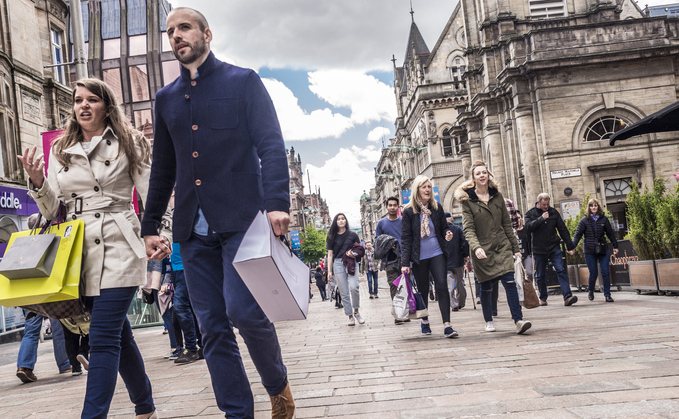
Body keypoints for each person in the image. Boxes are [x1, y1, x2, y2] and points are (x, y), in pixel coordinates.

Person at [140, 7, 295, 418]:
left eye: (184, 28)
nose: (176, 36)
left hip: (242, 222)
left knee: (245, 312)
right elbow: (164, 167)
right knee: (211, 328)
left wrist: (278, 202)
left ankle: (277, 386)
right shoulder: (166, 98)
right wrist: (150, 225)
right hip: (192, 231)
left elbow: (270, 144)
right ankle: (237, 412)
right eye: (170, 31)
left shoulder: (243, 82)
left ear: (207, 34)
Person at [19, 77, 172, 419]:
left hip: (119, 241)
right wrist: (38, 182)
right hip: (78, 252)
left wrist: (160, 233)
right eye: (78, 100)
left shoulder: (130, 142)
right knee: (121, 335)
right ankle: (146, 409)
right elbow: (52, 211)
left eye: (92, 99)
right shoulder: (60, 148)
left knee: (102, 339)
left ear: (106, 105)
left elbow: (153, 193)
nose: (83, 105)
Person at [455, 161, 532, 334]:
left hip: (502, 246)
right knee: (487, 287)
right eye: (478, 173)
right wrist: (475, 248)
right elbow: (468, 229)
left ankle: (518, 320)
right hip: (482, 250)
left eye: (484, 172)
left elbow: (506, 224)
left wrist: (515, 249)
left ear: (488, 176)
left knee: (510, 283)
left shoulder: (497, 197)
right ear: (473, 179)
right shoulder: (468, 201)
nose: (482, 175)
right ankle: (489, 319)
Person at [401, 175, 458, 338]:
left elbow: (443, 228)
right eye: (424, 187)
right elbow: (406, 238)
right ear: (417, 190)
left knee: (441, 285)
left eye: (429, 187)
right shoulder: (409, 211)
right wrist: (405, 263)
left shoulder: (436, 208)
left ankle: (447, 325)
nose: (427, 189)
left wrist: (447, 233)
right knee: (423, 289)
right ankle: (425, 321)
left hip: (437, 252)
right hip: (419, 256)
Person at [524, 193, 577, 306]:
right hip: (538, 249)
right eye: (543, 204)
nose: (546, 207)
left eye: (547, 204)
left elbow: (562, 229)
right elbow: (528, 227)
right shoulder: (530, 213)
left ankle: (567, 296)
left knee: (560, 270)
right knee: (540, 274)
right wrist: (541, 219)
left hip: (553, 247)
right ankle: (543, 298)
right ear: (538, 203)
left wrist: (570, 246)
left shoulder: (553, 212)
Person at [571, 198, 619, 302]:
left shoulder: (604, 219)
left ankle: (607, 295)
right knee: (593, 273)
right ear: (589, 207)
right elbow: (578, 235)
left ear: (598, 207)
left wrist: (615, 246)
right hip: (589, 250)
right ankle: (591, 290)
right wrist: (572, 247)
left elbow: (610, 233)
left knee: (605, 272)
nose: (594, 207)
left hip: (602, 249)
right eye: (592, 205)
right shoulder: (584, 221)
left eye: (596, 205)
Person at [326, 213, 365, 325]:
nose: (341, 221)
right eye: (339, 219)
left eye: (343, 219)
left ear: (346, 221)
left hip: (351, 262)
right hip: (338, 263)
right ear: (335, 222)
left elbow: (360, 249)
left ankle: (356, 311)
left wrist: (354, 254)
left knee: (354, 287)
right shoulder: (331, 237)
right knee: (344, 292)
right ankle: (350, 316)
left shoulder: (353, 235)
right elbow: (330, 255)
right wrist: (329, 271)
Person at [16, 313, 71, 382]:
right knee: (58, 330)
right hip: (51, 303)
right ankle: (64, 364)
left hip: (31, 302)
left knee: (30, 332)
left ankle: (24, 367)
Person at [375, 197, 403, 302]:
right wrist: (388, 245)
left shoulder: (403, 221)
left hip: (404, 258)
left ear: (398, 207)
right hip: (390, 260)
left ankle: (406, 311)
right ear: (386, 207)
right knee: (393, 284)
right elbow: (377, 241)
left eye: (394, 205)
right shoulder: (381, 223)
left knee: (405, 284)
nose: (392, 207)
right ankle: (398, 312)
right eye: (390, 205)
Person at [444, 213, 469, 311]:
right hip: (458, 261)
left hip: (446, 262)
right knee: (460, 283)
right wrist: (465, 255)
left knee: (449, 285)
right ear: (451, 219)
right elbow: (464, 242)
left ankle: (454, 304)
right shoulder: (458, 229)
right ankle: (461, 302)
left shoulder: (441, 231)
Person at [516, 212, 534, 282]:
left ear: (522, 218)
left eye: (519, 218)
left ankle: (530, 287)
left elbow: (530, 240)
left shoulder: (526, 229)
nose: (517, 220)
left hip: (526, 254)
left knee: (529, 273)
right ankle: (522, 291)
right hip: (516, 257)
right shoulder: (512, 231)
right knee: (519, 276)